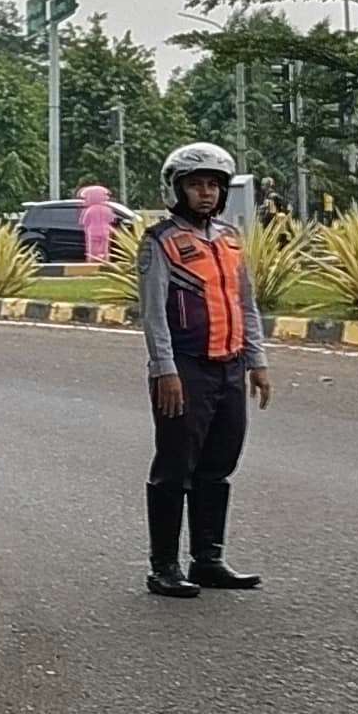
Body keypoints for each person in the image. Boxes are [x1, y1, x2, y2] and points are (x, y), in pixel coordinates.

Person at [139, 142, 269, 598]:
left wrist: (257, 362)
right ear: (177, 189)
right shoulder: (161, 242)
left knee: (218, 465)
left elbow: (245, 304)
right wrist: (165, 370)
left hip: (229, 369)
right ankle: (164, 566)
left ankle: (208, 559)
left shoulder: (230, 239)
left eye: (214, 185)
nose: (206, 193)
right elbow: (153, 313)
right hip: (185, 370)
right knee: (175, 467)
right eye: (196, 185)